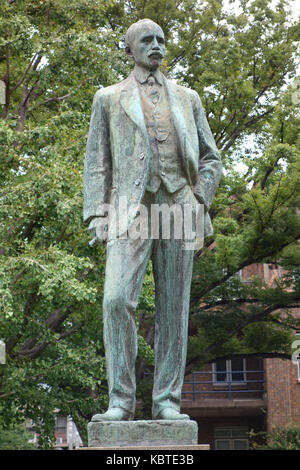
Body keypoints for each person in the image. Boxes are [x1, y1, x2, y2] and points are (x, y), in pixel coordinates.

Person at [83, 19, 222, 421]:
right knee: (115, 299)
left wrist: (198, 199)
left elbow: (211, 159)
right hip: (129, 210)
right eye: (147, 41)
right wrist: (96, 212)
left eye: (161, 40)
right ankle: (120, 401)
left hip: (178, 205)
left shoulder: (187, 97)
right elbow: (97, 163)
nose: (156, 46)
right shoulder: (108, 98)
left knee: (174, 309)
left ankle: (167, 401)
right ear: (129, 49)